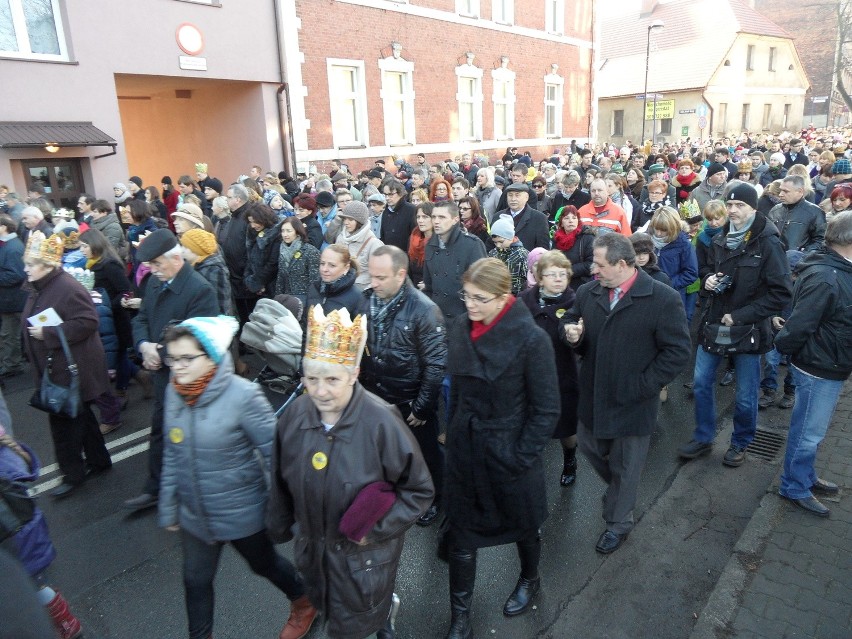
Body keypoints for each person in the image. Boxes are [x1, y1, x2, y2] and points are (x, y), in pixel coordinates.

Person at [267, 305, 433, 639]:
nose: (321, 391)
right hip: (315, 554)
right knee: (328, 605)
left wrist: (375, 531)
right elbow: (279, 477)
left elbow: (418, 490)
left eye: (332, 379)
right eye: (311, 379)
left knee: (354, 624)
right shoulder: (294, 416)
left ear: (354, 374)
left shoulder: (382, 422)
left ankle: (383, 615)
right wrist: (278, 526)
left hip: (363, 562)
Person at [158, 316, 317, 639]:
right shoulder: (175, 393)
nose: (178, 367)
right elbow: (172, 453)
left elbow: (277, 457)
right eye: (172, 358)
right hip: (196, 514)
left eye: (187, 358)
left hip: (242, 512)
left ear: (212, 357)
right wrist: (168, 506)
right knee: (195, 580)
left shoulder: (243, 396)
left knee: (265, 565)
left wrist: (293, 516)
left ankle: (304, 601)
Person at [443, 258, 558, 637]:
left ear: (503, 297)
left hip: (508, 448)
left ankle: (530, 578)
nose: (469, 305)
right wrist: (452, 430)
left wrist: (519, 455)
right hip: (467, 449)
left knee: (523, 524)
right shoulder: (461, 327)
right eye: (466, 296)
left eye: (479, 298)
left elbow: (546, 409)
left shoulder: (531, 339)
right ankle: (460, 614)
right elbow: (458, 387)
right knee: (461, 533)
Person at [561, 234, 691, 553]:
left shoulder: (663, 298)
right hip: (594, 393)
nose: (593, 270)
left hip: (634, 402)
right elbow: (576, 327)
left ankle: (618, 522)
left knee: (627, 464)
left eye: (600, 264)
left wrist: (644, 386)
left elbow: (676, 352)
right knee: (590, 447)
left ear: (622, 265)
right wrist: (574, 336)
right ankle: (621, 489)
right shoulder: (588, 292)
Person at [678, 183, 792, 467]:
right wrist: (707, 279)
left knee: (745, 394)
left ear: (753, 207)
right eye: (729, 205)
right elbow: (703, 269)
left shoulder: (768, 242)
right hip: (714, 322)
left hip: (749, 329)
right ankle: (704, 438)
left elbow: (781, 293)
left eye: (739, 205)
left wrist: (742, 315)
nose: (733, 210)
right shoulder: (719, 237)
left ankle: (740, 441)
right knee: (702, 384)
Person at [124, 229, 219, 511]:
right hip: (163, 375)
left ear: (175, 259)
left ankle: (198, 493)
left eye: (157, 265)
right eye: (150, 266)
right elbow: (141, 318)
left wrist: (160, 353)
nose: (152, 271)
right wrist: (143, 346)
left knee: (191, 438)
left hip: (189, 380)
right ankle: (155, 488)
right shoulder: (155, 282)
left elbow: (200, 339)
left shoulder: (200, 290)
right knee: (160, 431)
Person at [21, 232, 113, 498]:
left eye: (30, 264)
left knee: (63, 425)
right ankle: (99, 461)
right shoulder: (40, 285)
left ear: (48, 266)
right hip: (58, 366)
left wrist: (49, 333)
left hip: (68, 369)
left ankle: (72, 475)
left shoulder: (66, 287)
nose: (25, 269)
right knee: (81, 416)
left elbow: (88, 322)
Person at [360, 245, 447, 527]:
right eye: (371, 276)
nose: (373, 283)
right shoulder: (366, 301)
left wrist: (421, 408)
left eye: (381, 277)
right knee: (386, 450)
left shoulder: (424, 310)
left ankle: (434, 498)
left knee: (425, 455)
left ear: (400, 274)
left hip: (410, 401)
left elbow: (435, 365)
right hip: (378, 395)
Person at [774, 211, 852, 517]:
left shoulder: (836, 269)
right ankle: (794, 485)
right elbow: (800, 325)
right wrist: (787, 350)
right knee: (808, 431)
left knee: (812, 430)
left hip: (829, 363)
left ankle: (804, 475)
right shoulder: (826, 276)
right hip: (819, 366)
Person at [0, 425, 84, 638]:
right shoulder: (10, 454)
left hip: (16, 539)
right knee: (35, 584)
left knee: (29, 588)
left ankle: (66, 623)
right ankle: (66, 621)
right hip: (29, 532)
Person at [519, 251, 580, 486]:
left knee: (566, 426)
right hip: (530, 376)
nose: (557, 279)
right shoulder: (524, 299)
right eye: (551, 274)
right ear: (539, 277)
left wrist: (576, 336)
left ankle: (570, 459)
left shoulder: (576, 302)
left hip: (563, 373)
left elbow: (580, 338)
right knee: (529, 422)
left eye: (562, 274)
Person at [422, 201, 487, 322]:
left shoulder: (471, 245)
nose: (436, 221)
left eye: (442, 217)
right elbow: (428, 286)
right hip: (437, 318)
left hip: (463, 319)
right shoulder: (430, 245)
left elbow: (482, 286)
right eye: (434, 217)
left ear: (455, 219)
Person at [648, 206, 699, 321]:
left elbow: (691, 273)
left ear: (673, 228)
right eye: (657, 228)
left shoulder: (684, 245)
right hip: (649, 293)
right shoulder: (647, 241)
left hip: (672, 294)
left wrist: (668, 284)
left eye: (664, 230)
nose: (659, 233)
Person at [178, 229, 233, 316]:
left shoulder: (213, 270)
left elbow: (219, 303)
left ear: (196, 249)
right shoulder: (197, 266)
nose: (181, 250)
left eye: (185, 247)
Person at [306, 244, 368, 319]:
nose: (324, 269)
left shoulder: (357, 297)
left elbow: (360, 328)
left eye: (332, 265)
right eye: (322, 263)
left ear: (346, 268)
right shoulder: (313, 288)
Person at [767, 175, 826, 252]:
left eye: (786, 191)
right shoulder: (775, 210)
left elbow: (821, 239)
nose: (780, 194)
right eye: (780, 190)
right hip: (775, 258)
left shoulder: (814, 212)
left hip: (800, 261)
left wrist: (803, 254)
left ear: (800, 191)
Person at [0, 214, 27, 378]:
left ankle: (12, 365)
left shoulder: (13, 247)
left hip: (15, 300)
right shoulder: (6, 245)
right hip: (9, 300)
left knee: (11, 335)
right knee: (9, 335)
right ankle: (12, 363)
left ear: (3, 227)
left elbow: (17, 275)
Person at [334, 201, 383, 290]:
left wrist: (366, 293)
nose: (346, 222)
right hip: (340, 288)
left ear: (360, 222)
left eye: (350, 219)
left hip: (362, 292)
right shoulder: (341, 237)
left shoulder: (374, 244)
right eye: (344, 219)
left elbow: (380, 275)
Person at [275, 216, 320, 307]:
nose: (285, 234)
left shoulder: (310, 251)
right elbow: (280, 277)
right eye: (283, 231)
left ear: (297, 231)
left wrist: (311, 303)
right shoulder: (282, 250)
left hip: (304, 300)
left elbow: (315, 280)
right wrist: (277, 298)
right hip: (287, 299)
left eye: (289, 231)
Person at [492, 183, 550, 251]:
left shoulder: (539, 218)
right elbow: (490, 244)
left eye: (517, 195)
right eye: (510, 195)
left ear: (526, 197)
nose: (513, 199)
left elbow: (543, 249)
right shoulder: (498, 217)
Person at [244, 203, 283, 298]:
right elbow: (250, 258)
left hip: (271, 287)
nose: (252, 225)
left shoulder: (276, 234)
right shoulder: (253, 232)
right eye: (250, 222)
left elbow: (272, 264)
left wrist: (258, 283)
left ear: (264, 219)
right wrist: (249, 278)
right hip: (256, 283)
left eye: (255, 222)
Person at [553, 205, 595, 290]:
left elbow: (591, 264)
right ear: (561, 222)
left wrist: (568, 270)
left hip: (582, 285)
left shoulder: (587, 237)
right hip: (560, 284)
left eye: (574, 218)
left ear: (578, 221)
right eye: (566, 218)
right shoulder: (556, 239)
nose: (571, 221)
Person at [487, 215, 528, 295]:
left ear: (510, 237)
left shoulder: (522, 255)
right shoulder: (493, 253)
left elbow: (528, 280)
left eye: (501, 242)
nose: (498, 245)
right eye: (495, 242)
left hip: (515, 298)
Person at [380, 180, 417, 252]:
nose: (387, 198)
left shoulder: (411, 210)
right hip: (389, 255)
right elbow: (383, 235)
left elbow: (415, 236)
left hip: (405, 255)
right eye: (385, 194)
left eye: (391, 194)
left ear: (400, 193)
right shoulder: (386, 211)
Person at [407, 202, 433, 289]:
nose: (420, 220)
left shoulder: (440, 242)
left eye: (425, 217)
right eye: (418, 217)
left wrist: (429, 285)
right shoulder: (412, 238)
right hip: (414, 289)